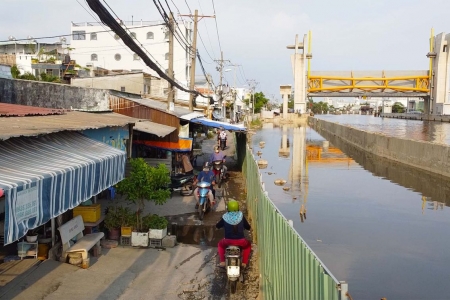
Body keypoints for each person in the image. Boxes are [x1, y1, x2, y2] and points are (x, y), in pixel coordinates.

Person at [216, 199, 251, 269]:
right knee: (248, 246)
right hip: (241, 241)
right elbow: (247, 227)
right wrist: (248, 227)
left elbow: (218, 225)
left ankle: (222, 262)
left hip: (227, 241)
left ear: (228, 208)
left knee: (220, 245)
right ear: (238, 208)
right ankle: (244, 263)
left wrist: (219, 226)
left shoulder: (225, 217)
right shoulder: (241, 215)